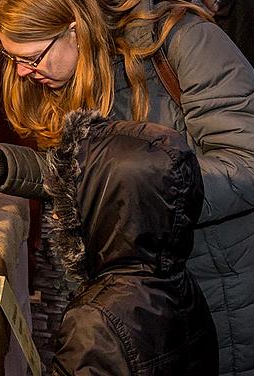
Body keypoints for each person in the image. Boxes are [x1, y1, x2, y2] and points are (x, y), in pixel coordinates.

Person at [0, 0, 254, 375]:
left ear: (74, 28)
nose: (23, 72)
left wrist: (140, 196)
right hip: (146, 301)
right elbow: (86, 175)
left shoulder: (184, 41)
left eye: (31, 57)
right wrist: (1, 163)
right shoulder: (80, 68)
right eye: (12, 58)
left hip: (221, 286)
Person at [46, 111, 217, 376]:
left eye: (70, 202)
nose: (57, 214)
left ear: (108, 209)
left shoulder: (95, 322)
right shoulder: (178, 283)